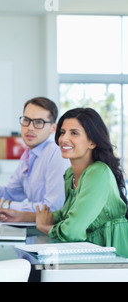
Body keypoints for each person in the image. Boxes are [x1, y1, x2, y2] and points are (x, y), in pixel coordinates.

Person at [36, 108, 128, 255]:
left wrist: (43, 227)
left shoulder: (99, 172)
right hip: (89, 255)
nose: (64, 139)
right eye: (62, 132)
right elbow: (65, 214)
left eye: (74, 133)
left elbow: (71, 231)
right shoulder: (70, 174)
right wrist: (18, 215)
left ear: (92, 142)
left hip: (114, 259)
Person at [0, 97, 69, 222]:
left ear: (53, 128)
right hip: (35, 226)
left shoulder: (56, 154)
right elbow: (11, 193)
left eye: (39, 122)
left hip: (52, 232)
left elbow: (52, 208)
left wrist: (5, 205)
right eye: (26, 120)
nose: (30, 127)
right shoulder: (29, 154)